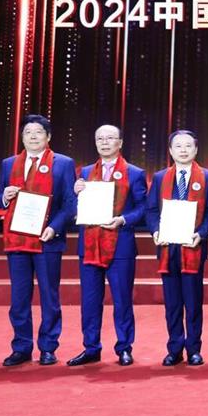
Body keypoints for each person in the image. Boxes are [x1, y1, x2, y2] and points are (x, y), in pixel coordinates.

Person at [0, 114, 76, 366]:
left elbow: (70, 203)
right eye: (28, 132)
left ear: (48, 136)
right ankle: (21, 347)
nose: (33, 136)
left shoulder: (63, 163)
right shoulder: (9, 164)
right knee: (19, 297)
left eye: (38, 132)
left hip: (47, 239)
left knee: (49, 296)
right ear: (21, 137)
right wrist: (4, 197)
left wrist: (54, 227)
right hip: (17, 239)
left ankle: (48, 347)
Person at [67, 124, 147, 367]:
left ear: (120, 143)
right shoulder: (84, 172)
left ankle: (124, 347)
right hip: (90, 245)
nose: (104, 142)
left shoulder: (135, 173)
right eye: (100, 138)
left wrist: (123, 219)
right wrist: (75, 193)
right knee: (90, 301)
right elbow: (72, 209)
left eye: (110, 138)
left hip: (120, 245)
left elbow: (142, 208)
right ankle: (91, 347)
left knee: (122, 300)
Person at [145, 130, 208, 366]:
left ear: (196, 150)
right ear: (170, 151)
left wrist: (201, 234)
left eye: (188, 146)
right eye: (178, 146)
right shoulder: (160, 178)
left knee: (193, 302)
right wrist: (155, 231)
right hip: (167, 248)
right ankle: (174, 349)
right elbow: (151, 210)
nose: (183, 150)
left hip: (193, 247)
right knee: (173, 303)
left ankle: (194, 349)